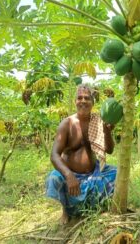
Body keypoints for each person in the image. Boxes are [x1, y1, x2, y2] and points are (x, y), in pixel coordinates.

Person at [46, 84, 117, 224]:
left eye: (87, 98)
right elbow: (54, 155)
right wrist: (69, 175)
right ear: (75, 102)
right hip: (72, 174)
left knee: (117, 173)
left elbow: (109, 150)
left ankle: (95, 206)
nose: (83, 101)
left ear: (93, 102)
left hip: (94, 173)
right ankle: (66, 210)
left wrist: (107, 131)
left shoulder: (98, 121)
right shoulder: (67, 124)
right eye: (79, 98)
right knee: (54, 178)